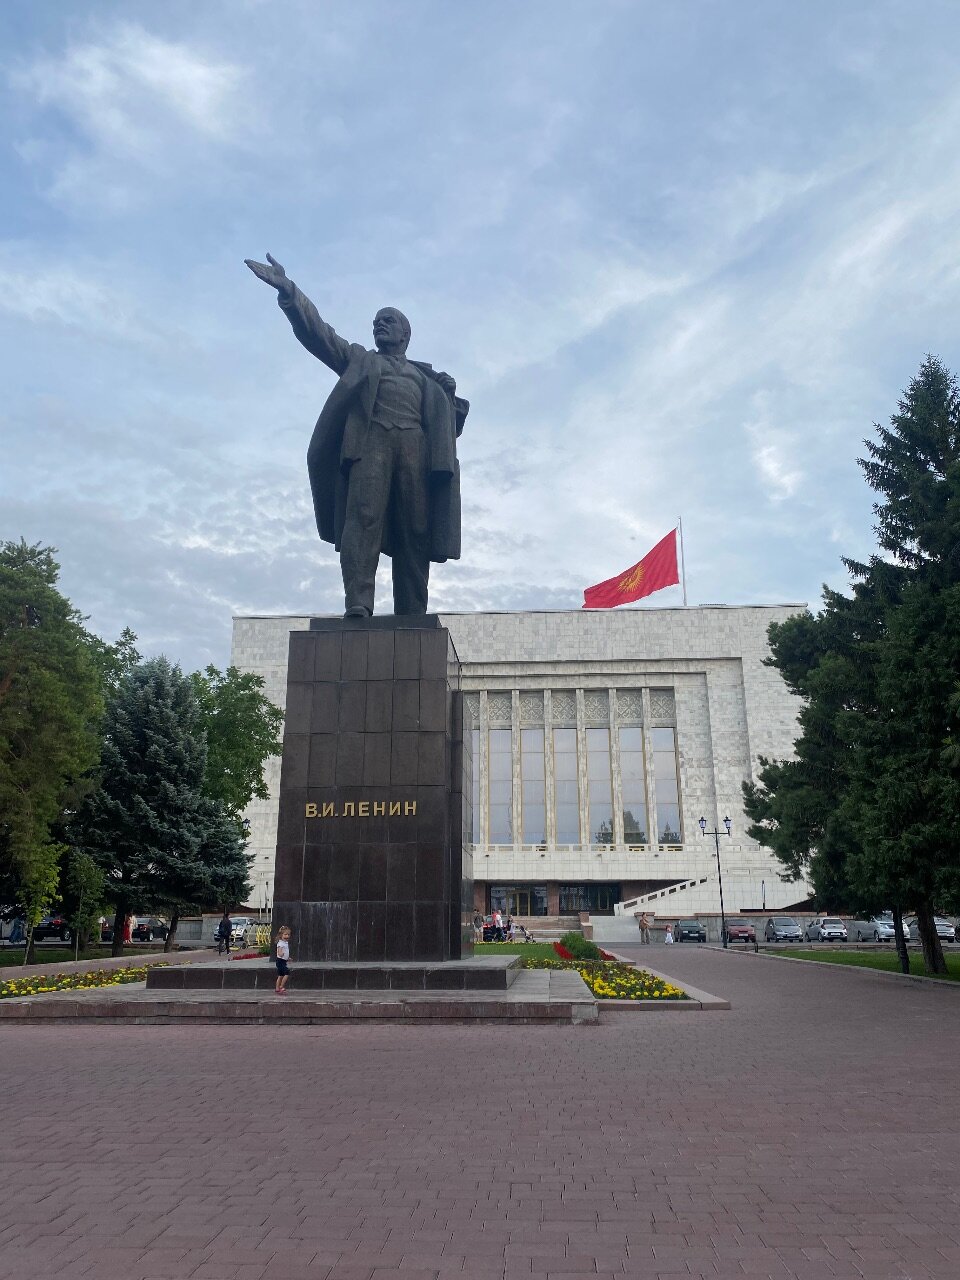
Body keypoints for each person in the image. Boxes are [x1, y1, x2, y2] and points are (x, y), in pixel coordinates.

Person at [245, 254, 469, 617]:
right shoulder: (361, 359)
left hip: (415, 448)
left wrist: (449, 396)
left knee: (415, 528)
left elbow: (452, 426)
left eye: (388, 321)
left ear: (405, 334)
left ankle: (412, 610)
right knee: (362, 520)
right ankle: (358, 602)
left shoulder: (426, 377)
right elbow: (320, 336)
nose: (379, 326)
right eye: (376, 322)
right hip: (372, 444)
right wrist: (290, 294)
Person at [275, 926, 292, 995]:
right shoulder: (280, 943)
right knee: (287, 972)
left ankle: (277, 988)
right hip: (280, 961)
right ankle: (281, 986)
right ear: (281, 935)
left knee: (280, 975)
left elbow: (286, 952)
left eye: (288, 934)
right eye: (285, 934)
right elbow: (279, 951)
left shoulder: (285, 943)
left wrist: (288, 958)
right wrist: (280, 954)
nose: (287, 936)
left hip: (283, 961)